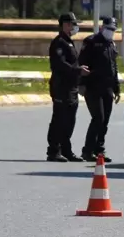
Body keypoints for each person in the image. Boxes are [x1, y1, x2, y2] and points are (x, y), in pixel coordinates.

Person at [46, 13, 90, 162]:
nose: (74, 27)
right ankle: (53, 150)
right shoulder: (58, 43)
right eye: (72, 24)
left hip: (71, 87)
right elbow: (60, 65)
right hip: (61, 87)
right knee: (59, 119)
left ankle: (66, 150)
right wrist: (78, 70)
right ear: (65, 25)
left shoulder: (68, 42)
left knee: (70, 120)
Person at [78, 17, 120, 163]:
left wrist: (117, 88)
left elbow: (114, 67)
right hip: (93, 86)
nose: (111, 32)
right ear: (102, 28)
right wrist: (81, 84)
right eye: (109, 29)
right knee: (98, 118)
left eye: (113, 30)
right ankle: (87, 150)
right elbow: (82, 64)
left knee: (105, 121)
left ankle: (99, 150)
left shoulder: (111, 44)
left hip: (107, 87)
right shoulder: (91, 42)